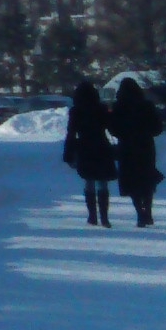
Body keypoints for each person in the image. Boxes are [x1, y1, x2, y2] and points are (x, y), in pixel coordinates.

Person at [109, 77, 166, 228]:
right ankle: (147, 210)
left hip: (127, 148)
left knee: (131, 181)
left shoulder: (119, 107)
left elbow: (113, 129)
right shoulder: (147, 105)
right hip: (145, 146)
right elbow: (157, 128)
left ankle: (139, 213)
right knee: (146, 179)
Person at [63, 82, 119, 227]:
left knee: (89, 181)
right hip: (102, 146)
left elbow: (71, 133)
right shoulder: (101, 109)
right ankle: (105, 217)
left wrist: (68, 153)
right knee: (102, 181)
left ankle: (92, 216)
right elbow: (112, 128)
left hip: (84, 148)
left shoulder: (76, 111)